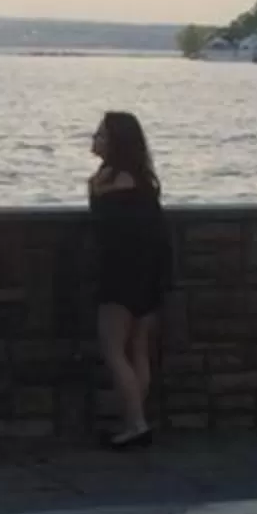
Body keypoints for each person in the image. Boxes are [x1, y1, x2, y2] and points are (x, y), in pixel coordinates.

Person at [87, 109, 169, 449]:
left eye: (100, 134)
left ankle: (136, 424)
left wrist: (94, 186)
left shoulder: (109, 184)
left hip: (120, 273)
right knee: (138, 348)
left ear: (115, 142)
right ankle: (134, 420)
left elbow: (104, 225)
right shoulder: (144, 182)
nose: (94, 139)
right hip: (150, 271)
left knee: (113, 349)